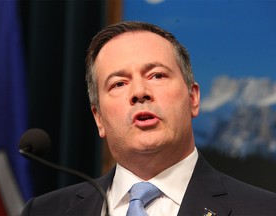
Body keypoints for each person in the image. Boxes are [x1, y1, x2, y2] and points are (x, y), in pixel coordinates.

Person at [21, 21, 276, 216]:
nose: (139, 92)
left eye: (157, 75)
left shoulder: (263, 210)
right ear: (98, 118)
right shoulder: (45, 211)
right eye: (119, 83)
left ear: (193, 98)